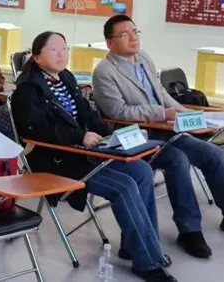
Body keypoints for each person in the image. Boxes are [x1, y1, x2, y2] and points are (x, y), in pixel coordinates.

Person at [12, 32, 177, 282]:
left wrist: (109, 135)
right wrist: (80, 136)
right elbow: (36, 130)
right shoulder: (27, 90)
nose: (62, 54)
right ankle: (147, 261)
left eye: (64, 49)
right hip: (57, 162)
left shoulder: (65, 78)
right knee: (124, 186)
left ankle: (135, 246)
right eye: (54, 50)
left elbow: (87, 114)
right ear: (36, 57)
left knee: (142, 171)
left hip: (85, 153)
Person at [93, 14, 224, 257]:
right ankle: (190, 230)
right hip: (139, 134)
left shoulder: (143, 58)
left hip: (167, 128)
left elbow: (161, 93)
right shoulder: (104, 72)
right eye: (125, 34)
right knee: (178, 160)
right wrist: (163, 114)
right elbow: (118, 112)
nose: (133, 38)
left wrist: (186, 114)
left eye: (135, 32)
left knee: (212, 153)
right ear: (110, 42)